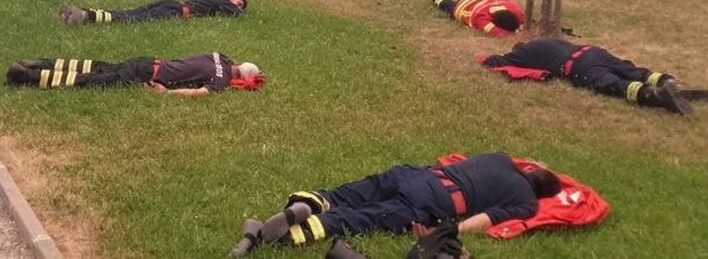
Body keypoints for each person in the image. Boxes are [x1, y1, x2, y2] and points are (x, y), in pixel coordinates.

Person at [230, 152, 561, 254]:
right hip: (437, 201)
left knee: (348, 194)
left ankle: (311, 202)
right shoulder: (526, 202)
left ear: (531, 169)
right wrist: (443, 231)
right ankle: (294, 233)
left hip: (416, 176)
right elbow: (487, 218)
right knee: (362, 218)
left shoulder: (501, 158)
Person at [480, 38, 703, 115]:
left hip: (578, 66)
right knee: (631, 70)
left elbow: (494, 61)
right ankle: (666, 80)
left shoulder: (520, 54)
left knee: (614, 84)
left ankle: (653, 96)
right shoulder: (545, 40)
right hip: (593, 51)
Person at [5, 52, 265, 95]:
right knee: (92, 80)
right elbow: (197, 93)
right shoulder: (221, 81)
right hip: (146, 77)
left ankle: (37, 63)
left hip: (147, 61)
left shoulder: (217, 55)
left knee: (93, 66)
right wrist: (166, 93)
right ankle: (26, 77)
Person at [58, 0, 247, 25]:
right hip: (176, 11)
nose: (235, 6)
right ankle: (85, 15)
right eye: (237, 2)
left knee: (131, 13)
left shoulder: (215, 0)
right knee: (132, 18)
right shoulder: (224, 0)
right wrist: (240, 10)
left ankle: (79, 11)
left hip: (172, 4)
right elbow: (237, 15)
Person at [428, 0, 524, 36]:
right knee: (448, 6)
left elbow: (525, 18)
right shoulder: (481, 18)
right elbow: (496, 32)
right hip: (462, 5)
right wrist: (514, 32)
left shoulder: (514, 8)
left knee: (450, 4)